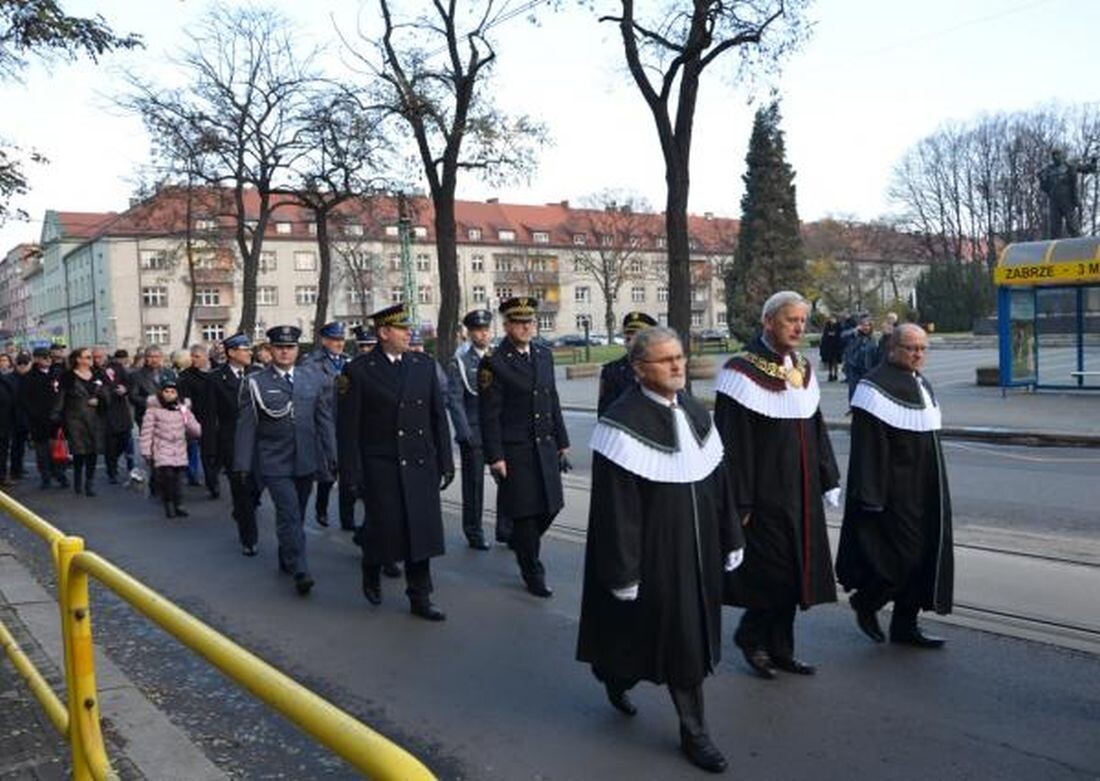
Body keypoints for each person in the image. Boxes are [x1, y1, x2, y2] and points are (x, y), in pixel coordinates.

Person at [577, 326, 743, 774]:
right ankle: (695, 733)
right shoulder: (621, 421)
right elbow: (617, 511)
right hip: (654, 553)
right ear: (638, 369)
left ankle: (614, 672)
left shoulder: (693, 409)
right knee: (678, 639)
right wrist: (624, 572)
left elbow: (718, 480)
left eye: (680, 358)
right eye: (665, 360)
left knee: (668, 637)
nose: (676, 366)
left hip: (700, 547)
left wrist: (731, 536)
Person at [715, 291, 841, 679]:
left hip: (801, 492)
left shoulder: (802, 366)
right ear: (768, 322)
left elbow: (816, 428)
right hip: (764, 495)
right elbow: (733, 445)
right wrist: (740, 503)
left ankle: (782, 648)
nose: (799, 328)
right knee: (772, 572)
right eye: (791, 320)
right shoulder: (740, 371)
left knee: (798, 570)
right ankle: (751, 638)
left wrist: (828, 477)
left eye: (803, 321)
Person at [837, 323, 954, 648]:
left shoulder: (922, 383)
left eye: (922, 349)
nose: (918, 354)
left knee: (924, 557)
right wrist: (872, 496)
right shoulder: (873, 387)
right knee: (901, 558)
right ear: (893, 349)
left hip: (926, 489)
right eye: (911, 348)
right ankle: (867, 602)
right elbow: (868, 450)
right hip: (894, 492)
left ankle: (905, 626)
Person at [338, 304, 453, 621]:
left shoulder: (423, 365)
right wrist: (350, 473)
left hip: (419, 461)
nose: (408, 334)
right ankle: (371, 564)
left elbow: (437, 418)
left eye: (408, 328)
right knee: (384, 528)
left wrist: (445, 460)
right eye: (402, 329)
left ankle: (420, 595)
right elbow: (348, 429)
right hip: (381, 464)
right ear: (384, 333)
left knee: (421, 531)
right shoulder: (359, 371)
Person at [479, 296, 570, 597]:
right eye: (519, 323)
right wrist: (495, 456)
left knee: (552, 505)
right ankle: (533, 571)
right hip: (515, 449)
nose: (527, 327)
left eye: (530, 321)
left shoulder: (543, 355)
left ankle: (521, 541)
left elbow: (552, 398)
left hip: (544, 444)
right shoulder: (494, 363)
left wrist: (562, 440)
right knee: (527, 514)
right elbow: (489, 414)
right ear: (506, 326)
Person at [235, 326, 334, 595]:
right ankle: (301, 569)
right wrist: (242, 464)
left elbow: (323, 420)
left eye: (289, 347)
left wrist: (332, 455)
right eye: (279, 347)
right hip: (273, 460)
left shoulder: (312, 378)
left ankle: (286, 554)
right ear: (270, 349)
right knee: (289, 512)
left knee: (297, 514)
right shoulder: (256, 382)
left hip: (305, 459)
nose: (284, 351)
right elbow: (247, 425)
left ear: (297, 350)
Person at [446, 310, 498, 550]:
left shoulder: (497, 358)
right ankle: (474, 531)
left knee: (507, 480)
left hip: (496, 429)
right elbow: (454, 400)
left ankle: (505, 528)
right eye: (478, 330)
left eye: (486, 329)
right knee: (474, 484)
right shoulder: (460, 362)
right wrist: (464, 432)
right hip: (474, 429)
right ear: (469, 333)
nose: (483, 334)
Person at [210, 333, 261, 556]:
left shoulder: (259, 374)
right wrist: (213, 452)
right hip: (233, 443)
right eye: (244, 349)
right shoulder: (216, 379)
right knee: (241, 491)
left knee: (257, 488)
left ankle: (244, 510)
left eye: (250, 349)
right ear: (231, 353)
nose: (249, 352)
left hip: (261, 441)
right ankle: (248, 539)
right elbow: (210, 418)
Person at [302, 322, 354, 530]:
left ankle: (347, 518)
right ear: (324, 341)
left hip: (346, 423)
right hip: (323, 425)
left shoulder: (347, 362)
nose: (339, 344)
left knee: (348, 474)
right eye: (334, 340)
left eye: (341, 340)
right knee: (327, 473)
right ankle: (321, 507)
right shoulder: (311, 363)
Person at [139, 377, 202, 518]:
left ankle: (179, 503)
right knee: (167, 476)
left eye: (172, 392)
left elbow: (194, 429)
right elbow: (146, 431)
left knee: (179, 479)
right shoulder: (153, 411)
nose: (169, 394)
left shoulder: (183, 410)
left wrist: (189, 418)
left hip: (179, 448)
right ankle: (168, 503)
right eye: (166, 391)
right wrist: (146, 450)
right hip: (162, 448)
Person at [54, 347, 109, 497]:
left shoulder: (98, 374)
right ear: (78, 359)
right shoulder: (67, 376)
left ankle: (89, 483)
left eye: (91, 357)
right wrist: (56, 418)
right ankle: (78, 481)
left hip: (95, 419)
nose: (91, 360)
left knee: (93, 452)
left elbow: (107, 394)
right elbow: (60, 399)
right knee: (79, 452)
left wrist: (100, 401)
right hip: (75, 420)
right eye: (87, 357)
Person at [177, 344, 220, 499]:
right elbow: (185, 401)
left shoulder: (219, 370)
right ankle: (212, 484)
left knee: (222, 453)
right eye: (192, 356)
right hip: (202, 420)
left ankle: (218, 476)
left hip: (222, 418)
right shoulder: (186, 376)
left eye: (197, 356)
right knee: (208, 454)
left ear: (206, 356)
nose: (194, 360)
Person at [22, 347, 68, 489]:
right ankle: (45, 476)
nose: (47, 359)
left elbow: (63, 394)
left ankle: (60, 474)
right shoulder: (29, 377)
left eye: (48, 357)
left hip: (56, 419)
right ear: (36, 359)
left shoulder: (57, 374)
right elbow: (25, 399)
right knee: (42, 451)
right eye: (43, 357)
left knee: (58, 449)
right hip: (38, 421)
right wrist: (34, 415)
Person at [597, 311, 657, 416]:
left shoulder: (661, 367)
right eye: (628, 338)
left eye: (637, 338)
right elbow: (605, 412)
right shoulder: (612, 371)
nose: (631, 343)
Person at [1039, 147, 1098, 238]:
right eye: (1053, 155)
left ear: (1062, 155)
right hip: (1054, 201)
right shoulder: (1048, 170)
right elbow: (1044, 187)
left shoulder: (1069, 166)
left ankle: (1079, 244)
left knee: (1072, 225)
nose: (1055, 157)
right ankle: (1054, 247)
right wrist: (1041, 178)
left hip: (1067, 200)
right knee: (1054, 227)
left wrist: (1093, 161)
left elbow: (1087, 169)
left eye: (1057, 154)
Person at [102, 349, 135, 483]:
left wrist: (125, 389)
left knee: (124, 441)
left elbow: (130, 384)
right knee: (110, 445)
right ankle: (112, 471)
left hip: (121, 411)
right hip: (106, 413)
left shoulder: (120, 369)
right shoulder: (98, 371)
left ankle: (114, 461)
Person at [129, 345, 174, 430]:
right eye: (150, 357)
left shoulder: (169, 373)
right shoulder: (136, 375)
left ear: (161, 357)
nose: (154, 360)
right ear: (145, 358)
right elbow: (133, 396)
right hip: (146, 416)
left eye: (156, 357)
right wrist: (149, 401)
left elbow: (175, 391)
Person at [842, 313, 877, 402]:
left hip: (867, 368)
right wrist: (854, 330)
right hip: (853, 367)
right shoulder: (854, 335)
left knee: (866, 391)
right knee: (853, 390)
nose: (866, 328)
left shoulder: (872, 339)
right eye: (864, 325)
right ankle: (853, 408)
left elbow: (874, 354)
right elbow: (843, 336)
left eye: (868, 325)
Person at [9, 353, 32, 480]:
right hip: (14, 417)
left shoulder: (30, 377)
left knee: (21, 445)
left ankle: (19, 468)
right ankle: (15, 470)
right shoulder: (10, 379)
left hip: (26, 416)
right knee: (15, 446)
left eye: (25, 364)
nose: (22, 367)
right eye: (20, 364)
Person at [818, 316, 843, 382]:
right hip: (829, 346)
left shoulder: (838, 326)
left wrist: (834, 334)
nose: (832, 320)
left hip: (836, 346)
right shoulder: (827, 326)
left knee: (836, 362)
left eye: (833, 319)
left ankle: (835, 374)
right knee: (830, 361)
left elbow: (840, 335)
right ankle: (830, 374)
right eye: (831, 319)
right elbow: (825, 335)